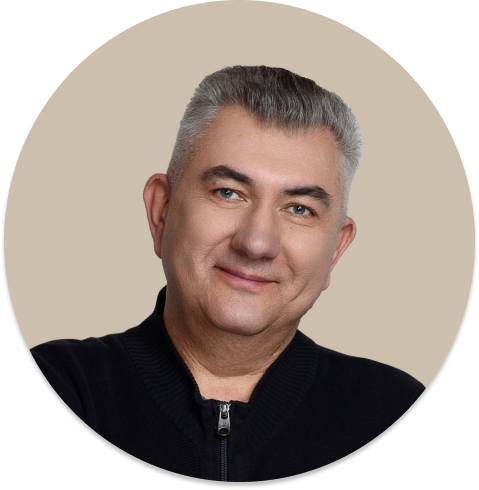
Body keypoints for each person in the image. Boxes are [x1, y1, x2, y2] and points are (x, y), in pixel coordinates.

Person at [30, 65, 425, 482]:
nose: (257, 243)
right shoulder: (61, 386)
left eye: (299, 209)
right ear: (161, 211)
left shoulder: (392, 411)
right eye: (228, 192)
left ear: (337, 249)